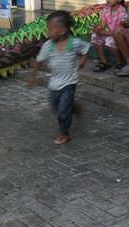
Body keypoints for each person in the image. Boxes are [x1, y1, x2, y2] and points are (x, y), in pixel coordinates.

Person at [28, 10, 90, 145]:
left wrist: (83, 60)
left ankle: (64, 133)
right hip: (54, 83)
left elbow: (86, 48)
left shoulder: (74, 43)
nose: (48, 33)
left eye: (50, 29)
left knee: (63, 111)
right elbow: (39, 61)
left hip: (69, 82)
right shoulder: (47, 46)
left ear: (62, 30)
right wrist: (33, 75)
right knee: (54, 106)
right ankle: (75, 107)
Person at [90, 0, 127, 72]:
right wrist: (97, 28)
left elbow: (118, 32)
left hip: (121, 37)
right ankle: (104, 62)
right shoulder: (106, 10)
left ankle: (119, 63)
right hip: (110, 34)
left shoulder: (122, 11)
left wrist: (102, 32)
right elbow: (103, 26)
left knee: (110, 40)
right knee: (94, 36)